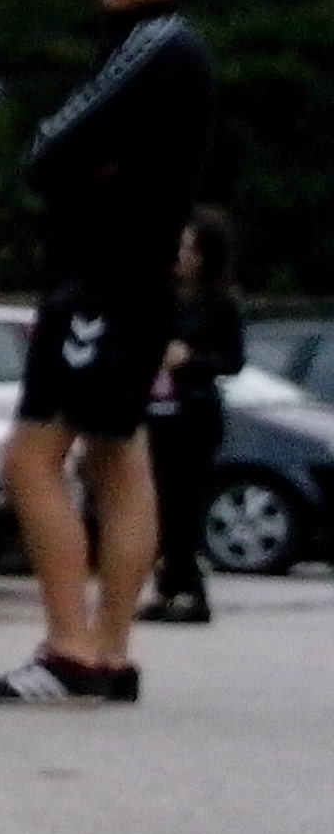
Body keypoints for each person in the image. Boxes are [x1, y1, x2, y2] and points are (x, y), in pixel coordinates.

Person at [0, 0, 214, 704]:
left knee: (28, 459)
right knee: (117, 458)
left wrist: (81, 169)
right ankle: (109, 653)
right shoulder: (157, 50)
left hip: (103, 282)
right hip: (134, 282)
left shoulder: (156, 44)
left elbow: (50, 148)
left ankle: (69, 648)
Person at [142, 209, 242, 625]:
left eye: (189, 249)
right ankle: (168, 586)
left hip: (194, 413)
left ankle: (193, 591)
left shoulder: (221, 303)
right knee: (159, 503)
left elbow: (232, 361)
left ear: (206, 256)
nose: (180, 256)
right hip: (157, 410)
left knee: (183, 503)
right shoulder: (163, 296)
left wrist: (191, 359)